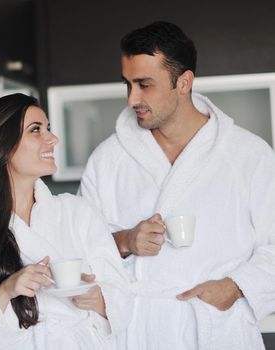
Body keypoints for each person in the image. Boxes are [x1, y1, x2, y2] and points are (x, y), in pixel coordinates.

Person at [79, 21, 275, 349]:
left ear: (184, 82)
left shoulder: (249, 155)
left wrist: (236, 287)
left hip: (216, 329)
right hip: (140, 331)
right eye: (127, 84)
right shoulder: (107, 160)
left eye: (144, 84)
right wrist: (126, 240)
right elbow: (80, 250)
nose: (132, 99)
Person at [0, 93, 132, 349]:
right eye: (36, 130)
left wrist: (97, 298)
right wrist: (7, 291)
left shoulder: (78, 213)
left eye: (48, 128)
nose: (53, 138)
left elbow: (123, 297)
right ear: (2, 146)